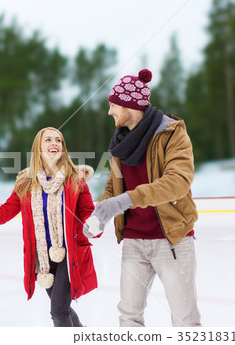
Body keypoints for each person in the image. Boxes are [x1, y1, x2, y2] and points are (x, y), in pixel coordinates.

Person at [84, 69, 201, 327]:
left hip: (172, 240)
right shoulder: (119, 143)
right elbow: (114, 189)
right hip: (134, 241)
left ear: (129, 105)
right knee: (129, 316)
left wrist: (123, 200)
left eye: (113, 105)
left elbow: (177, 182)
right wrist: (99, 214)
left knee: (185, 319)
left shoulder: (172, 134)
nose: (110, 112)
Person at [0, 127, 99, 327]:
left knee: (59, 311)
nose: (54, 143)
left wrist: (94, 223)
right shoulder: (25, 183)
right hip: (43, 258)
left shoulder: (75, 180)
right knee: (62, 308)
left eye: (58, 140)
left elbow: (87, 212)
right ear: (38, 147)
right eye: (48, 140)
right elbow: (2, 214)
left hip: (69, 255)